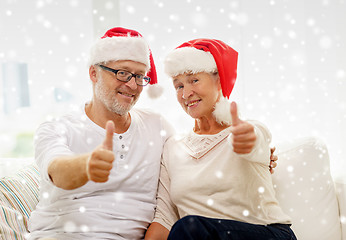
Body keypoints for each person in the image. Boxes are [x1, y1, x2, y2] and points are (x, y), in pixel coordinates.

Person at [28, 27, 175, 240]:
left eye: (140, 76)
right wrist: (86, 166)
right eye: (122, 73)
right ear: (93, 73)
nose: (132, 85)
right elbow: (58, 171)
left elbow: (168, 204)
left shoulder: (158, 127)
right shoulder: (57, 128)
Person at [144, 39, 297, 240]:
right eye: (178, 86)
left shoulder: (247, 130)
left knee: (190, 227)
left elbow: (255, 142)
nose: (186, 93)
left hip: (266, 234)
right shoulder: (173, 148)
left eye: (194, 80)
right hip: (196, 235)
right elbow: (164, 219)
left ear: (219, 80)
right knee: (188, 228)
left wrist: (247, 140)